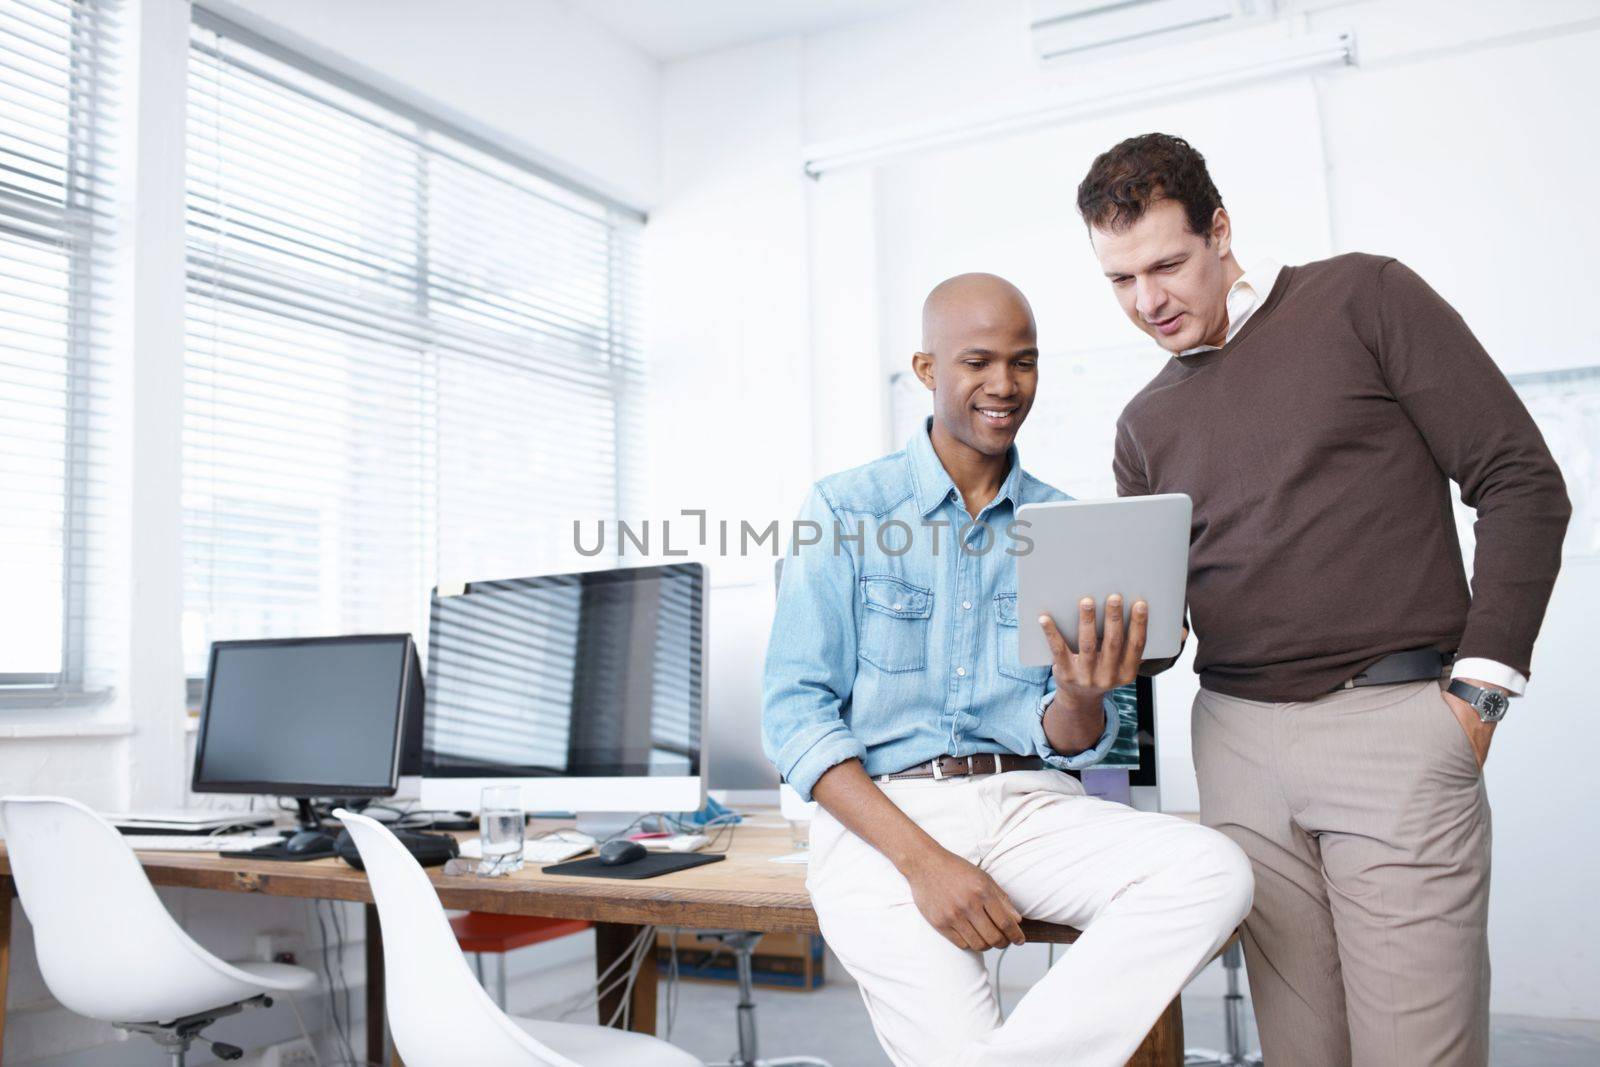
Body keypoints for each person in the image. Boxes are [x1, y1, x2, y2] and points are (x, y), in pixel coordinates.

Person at [1076, 132, 1571, 1066]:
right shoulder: (1143, 424)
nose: (1149, 301)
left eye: (1167, 264)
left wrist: (1478, 696)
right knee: (1301, 1053)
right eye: (1120, 279)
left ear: (1221, 232)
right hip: (1236, 747)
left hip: (1395, 728)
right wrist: (1095, 651)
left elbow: (1520, 479)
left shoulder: (1363, 297)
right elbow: (1160, 636)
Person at [761, 272, 1253, 1067]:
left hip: (1032, 806)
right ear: (927, 370)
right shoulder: (846, 509)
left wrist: (1084, 696)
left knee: (1213, 870)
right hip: (888, 822)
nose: (1004, 385)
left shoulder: (1067, 524)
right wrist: (927, 862)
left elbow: (1075, 739)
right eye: (978, 362)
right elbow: (794, 717)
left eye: (1023, 362)